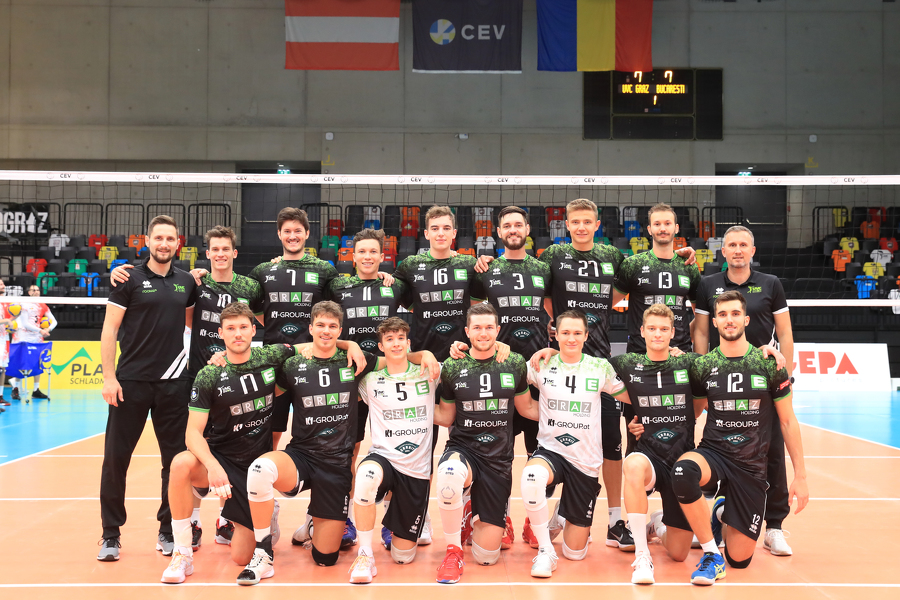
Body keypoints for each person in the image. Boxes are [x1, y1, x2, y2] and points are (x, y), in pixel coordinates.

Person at [236, 301, 438, 585]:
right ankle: (263, 551)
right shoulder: (293, 364)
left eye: (332, 326)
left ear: (340, 330)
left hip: (336, 466)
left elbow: (398, 358)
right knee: (260, 469)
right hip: (301, 455)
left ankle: (314, 521)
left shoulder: (357, 362)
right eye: (320, 325)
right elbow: (268, 390)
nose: (326, 331)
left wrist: (425, 353)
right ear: (310, 328)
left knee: (325, 558)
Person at [109, 225, 265, 546]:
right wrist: (118, 271)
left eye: (226, 249)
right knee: (192, 451)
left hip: (236, 380)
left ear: (234, 253)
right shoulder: (196, 282)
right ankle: (190, 522)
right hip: (196, 377)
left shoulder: (249, 286)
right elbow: (187, 319)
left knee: (234, 449)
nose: (220, 254)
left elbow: (265, 321)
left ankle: (226, 520)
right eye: (215, 249)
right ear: (207, 253)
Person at [674, 290, 808, 586]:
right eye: (722, 314)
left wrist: (800, 476)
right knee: (683, 471)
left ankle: (722, 511)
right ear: (714, 322)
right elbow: (693, 412)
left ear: (746, 320)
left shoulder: (769, 363)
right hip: (714, 453)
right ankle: (711, 554)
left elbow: (787, 421)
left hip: (750, 465)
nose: (729, 320)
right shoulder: (702, 365)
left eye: (735, 314)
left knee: (740, 559)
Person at [161, 302, 294, 583]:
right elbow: (192, 433)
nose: (238, 334)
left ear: (254, 330)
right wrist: (213, 466)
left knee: (241, 558)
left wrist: (350, 345)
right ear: (220, 333)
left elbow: (310, 347)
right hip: (221, 456)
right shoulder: (209, 374)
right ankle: (182, 553)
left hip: (254, 467)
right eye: (231, 328)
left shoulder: (270, 356)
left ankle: (265, 511)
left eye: (243, 327)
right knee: (181, 463)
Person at [97, 215, 198, 562]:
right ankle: (111, 534)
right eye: (158, 238)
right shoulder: (127, 279)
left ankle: (168, 529)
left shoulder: (187, 282)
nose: (164, 244)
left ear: (178, 243)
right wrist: (109, 377)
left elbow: (190, 325)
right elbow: (109, 330)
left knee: (175, 462)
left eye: (170, 239)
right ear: (147, 241)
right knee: (116, 460)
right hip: (131, 383)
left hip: (174, 384)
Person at [691, 225, 796, 556]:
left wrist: (785, 376)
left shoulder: (771, 284)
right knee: (720, 446)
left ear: (752, 251)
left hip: (762, 379)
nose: (737, 250)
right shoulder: (708, 284)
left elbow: (785, 333)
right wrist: (704, 372)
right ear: (723, 251)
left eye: (743, 245)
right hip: (721, 379)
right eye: (732, 245)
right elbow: (701, 333)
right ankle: (718, 514)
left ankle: (774, 526)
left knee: (773, 453)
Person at [466, 205, 552, 547]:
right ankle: (498, 517)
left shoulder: (543, 268)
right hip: (497, 371)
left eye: (519, 224)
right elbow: (476, 315)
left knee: (537, 451)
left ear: (527, 229)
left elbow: (552, 308)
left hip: (534, 370)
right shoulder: (485, 270)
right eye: (507, 225)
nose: (513, 229)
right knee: (494, 453)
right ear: (499, 232)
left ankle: (534, 521)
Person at [519, 310, 626, 579]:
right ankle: (545, 551)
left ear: (586, 336)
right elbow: (506, 368)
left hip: (585, 461)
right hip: (551, 450)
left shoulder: (600, 367)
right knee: (532, 476)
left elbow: (632, 395)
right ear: (555, 334)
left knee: (575, 552)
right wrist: (496, 346)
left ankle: (560, 515)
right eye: (565, 333)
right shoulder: (541, 364)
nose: (571, 338)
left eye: (577, 333)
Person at [608, 304, 706, 585]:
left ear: (673, 332)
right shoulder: (627, 363)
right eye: (652, 328)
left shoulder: (688, 363)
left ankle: (658, 523)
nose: (658, 334)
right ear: (642, 331)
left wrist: (766, 350)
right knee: (632, 465)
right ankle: (642, 555)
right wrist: (549, 351)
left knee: (678, 553)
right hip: (649, 457)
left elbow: (724, 363)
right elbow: (582, 361)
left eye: (664, 329)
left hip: (681, 461)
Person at [432, 303, 530, 584]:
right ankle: (452, 552)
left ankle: (470, 511)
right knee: (449, 474)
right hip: (463, 448)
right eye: (477, 327)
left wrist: (577, 415)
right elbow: (446, 417)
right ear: (467, 331)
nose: (483, 333)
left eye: (489, 327)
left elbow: (527, 409)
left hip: (498, 458)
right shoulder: (453, 365)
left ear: (498, 330)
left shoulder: (515, 363)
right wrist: (407, 409)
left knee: (487, 557)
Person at [325, 228, 410, 548]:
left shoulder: (394, 286)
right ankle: (344, 517)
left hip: (386, 377)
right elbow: (323, 325)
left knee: (394, 449)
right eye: (361, 251)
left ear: (382, 255)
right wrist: (348, 344)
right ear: (352, 255)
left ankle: (392, 520)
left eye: (373, 251)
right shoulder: (337, 286)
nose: (367, 256)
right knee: (349, 451)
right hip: (349, 378)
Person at [349, 317, 435, 583]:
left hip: (416, 471)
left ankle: (396, 523)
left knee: (402, 556)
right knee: (366, 476)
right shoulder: (369, 379)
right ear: (381, 346)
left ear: (408, 343)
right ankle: (364, 555)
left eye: (400, 339)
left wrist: (428, 354)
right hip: (384, 458)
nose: (396, 344)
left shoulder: (430, 371)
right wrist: (348, 343)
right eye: (389, 339)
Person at [614, 204, 701, 455]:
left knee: (681, 435)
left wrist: (686, 345)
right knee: (637, 433)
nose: (663, 228)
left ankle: (681, 474)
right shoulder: (633, 264)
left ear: (676, 228)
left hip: (678, 359)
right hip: (640, 360)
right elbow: (605, 304)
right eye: (657, 224)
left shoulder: (688, 265)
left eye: (667, 223)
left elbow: (700, 316)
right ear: (649, 229)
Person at [393, 205, 478, 362]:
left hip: (462, 353)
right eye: (435, 228)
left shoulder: (468, 263)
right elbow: (392, 288)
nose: (440, 233)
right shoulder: (410, 265)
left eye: (446, 228)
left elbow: (477, 303)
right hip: (423, 354)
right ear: (426, 234)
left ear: (454, 233)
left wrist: (488, 260)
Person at [248, 207, 339, 345]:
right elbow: (252, 305)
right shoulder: (263, 271)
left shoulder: (324, 269)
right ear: (279, 234)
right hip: (274, 351)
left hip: (311, 352)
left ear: (307, 233)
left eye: (297, 231)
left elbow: (340, 308)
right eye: (287, 231)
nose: (292, 236)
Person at [9, 284, 56, 401]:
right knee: (21, 363)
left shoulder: (42, 305)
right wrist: (41, 330)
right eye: (33, 290)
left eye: (38, 290)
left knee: (38, 363)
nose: (36, 292)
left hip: (37, 337)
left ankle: (36, 390)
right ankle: (15, 389)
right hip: (24, 336)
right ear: (29, 293)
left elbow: (54, 321)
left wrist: (48, 329)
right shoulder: (24, 304)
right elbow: (25, 324)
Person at [0, 280, 13, 409]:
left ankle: (0, 396)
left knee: (2, 368)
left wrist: (12, 324)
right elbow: (5, 320)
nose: (3, 286)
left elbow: (9, 320)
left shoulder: (7, 301)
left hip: (4, 338)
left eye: (3, 284)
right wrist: (7, 320)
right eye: (0, 284)